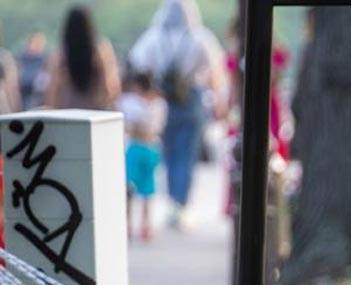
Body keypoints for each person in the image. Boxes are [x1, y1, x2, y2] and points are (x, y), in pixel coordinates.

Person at [129, 0, 227, 229]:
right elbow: (215, 71)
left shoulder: (153, 38)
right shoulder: (201, 37)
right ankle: (181, 205)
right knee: (187, 155)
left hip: (163, 102)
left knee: (170, 154)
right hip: (191, 100)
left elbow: (139, 65)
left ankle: (173, 202)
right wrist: (219, 101)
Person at [118, 72, 167, 242]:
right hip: (151, 147)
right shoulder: (160, 104)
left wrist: (136, 127)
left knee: (130, 188)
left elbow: (129, 127)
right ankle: (145, 226)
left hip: (136, 148)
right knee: (147, 189)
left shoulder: (129, 103)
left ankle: (128, 225)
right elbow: (156, 129)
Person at [42, 6, 120, 112]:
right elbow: (110, 87)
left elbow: (52, 90)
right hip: (95, 112)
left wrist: (52, 112)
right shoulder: (101, 50)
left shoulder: (61, 55)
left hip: (69, 113)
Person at [17, 32, 47, 110]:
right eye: (35, 43)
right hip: (23, 93)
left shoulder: (44, 60)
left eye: (40, 44)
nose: (37, 46)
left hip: (38, 94)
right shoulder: (21, 59)